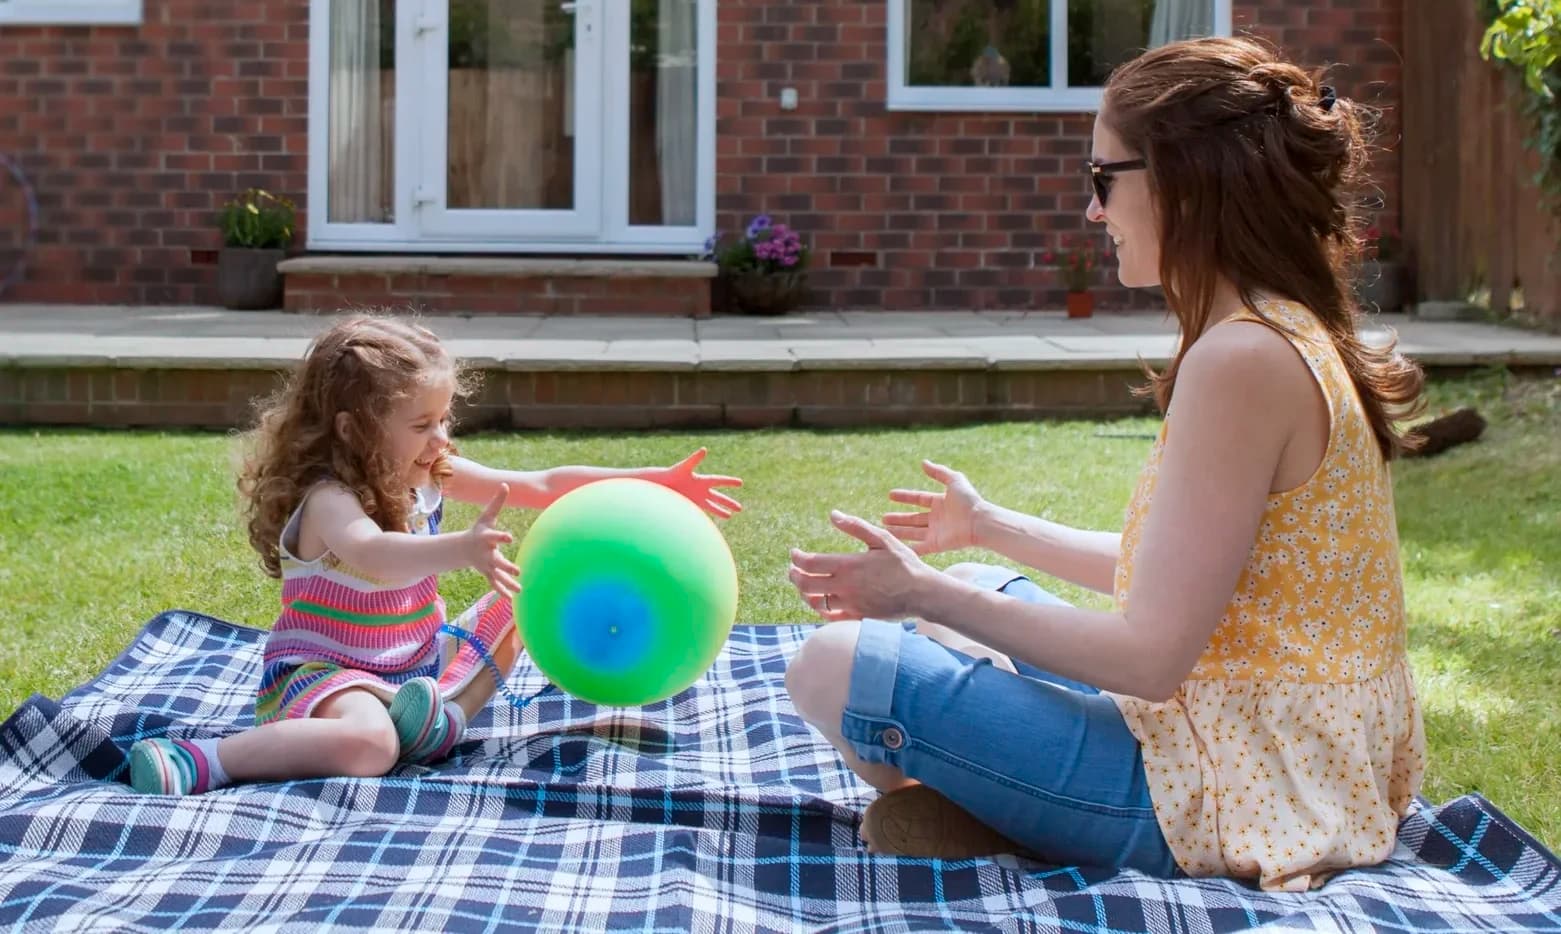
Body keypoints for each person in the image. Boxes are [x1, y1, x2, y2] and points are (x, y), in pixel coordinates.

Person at [784, 35, 1427, 892]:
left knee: (833, 666)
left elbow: (1148, 657)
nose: (1093, 211)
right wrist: (988, 529)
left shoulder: (1242, 361)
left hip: (1230, 789)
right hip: (1266, 744)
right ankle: (998, 805)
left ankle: (1007, 816)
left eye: (1102, 180)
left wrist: (917, 591)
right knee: (976, 591)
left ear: (1183, 184)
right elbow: (1183, 578)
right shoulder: (1279, 329)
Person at [127, 315, 742, 795]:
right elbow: (375, 554)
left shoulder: (432, 473)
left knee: (523, 599)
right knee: (369, 748)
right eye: (421, 425)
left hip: (416, 663)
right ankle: (206, 759)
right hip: (329, 677)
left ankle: (438, 717)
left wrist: (652, 481)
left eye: (444, 418)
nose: (441, 439)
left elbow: (542, 483)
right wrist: (462, 548)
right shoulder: (328, 500)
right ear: (352, 429)